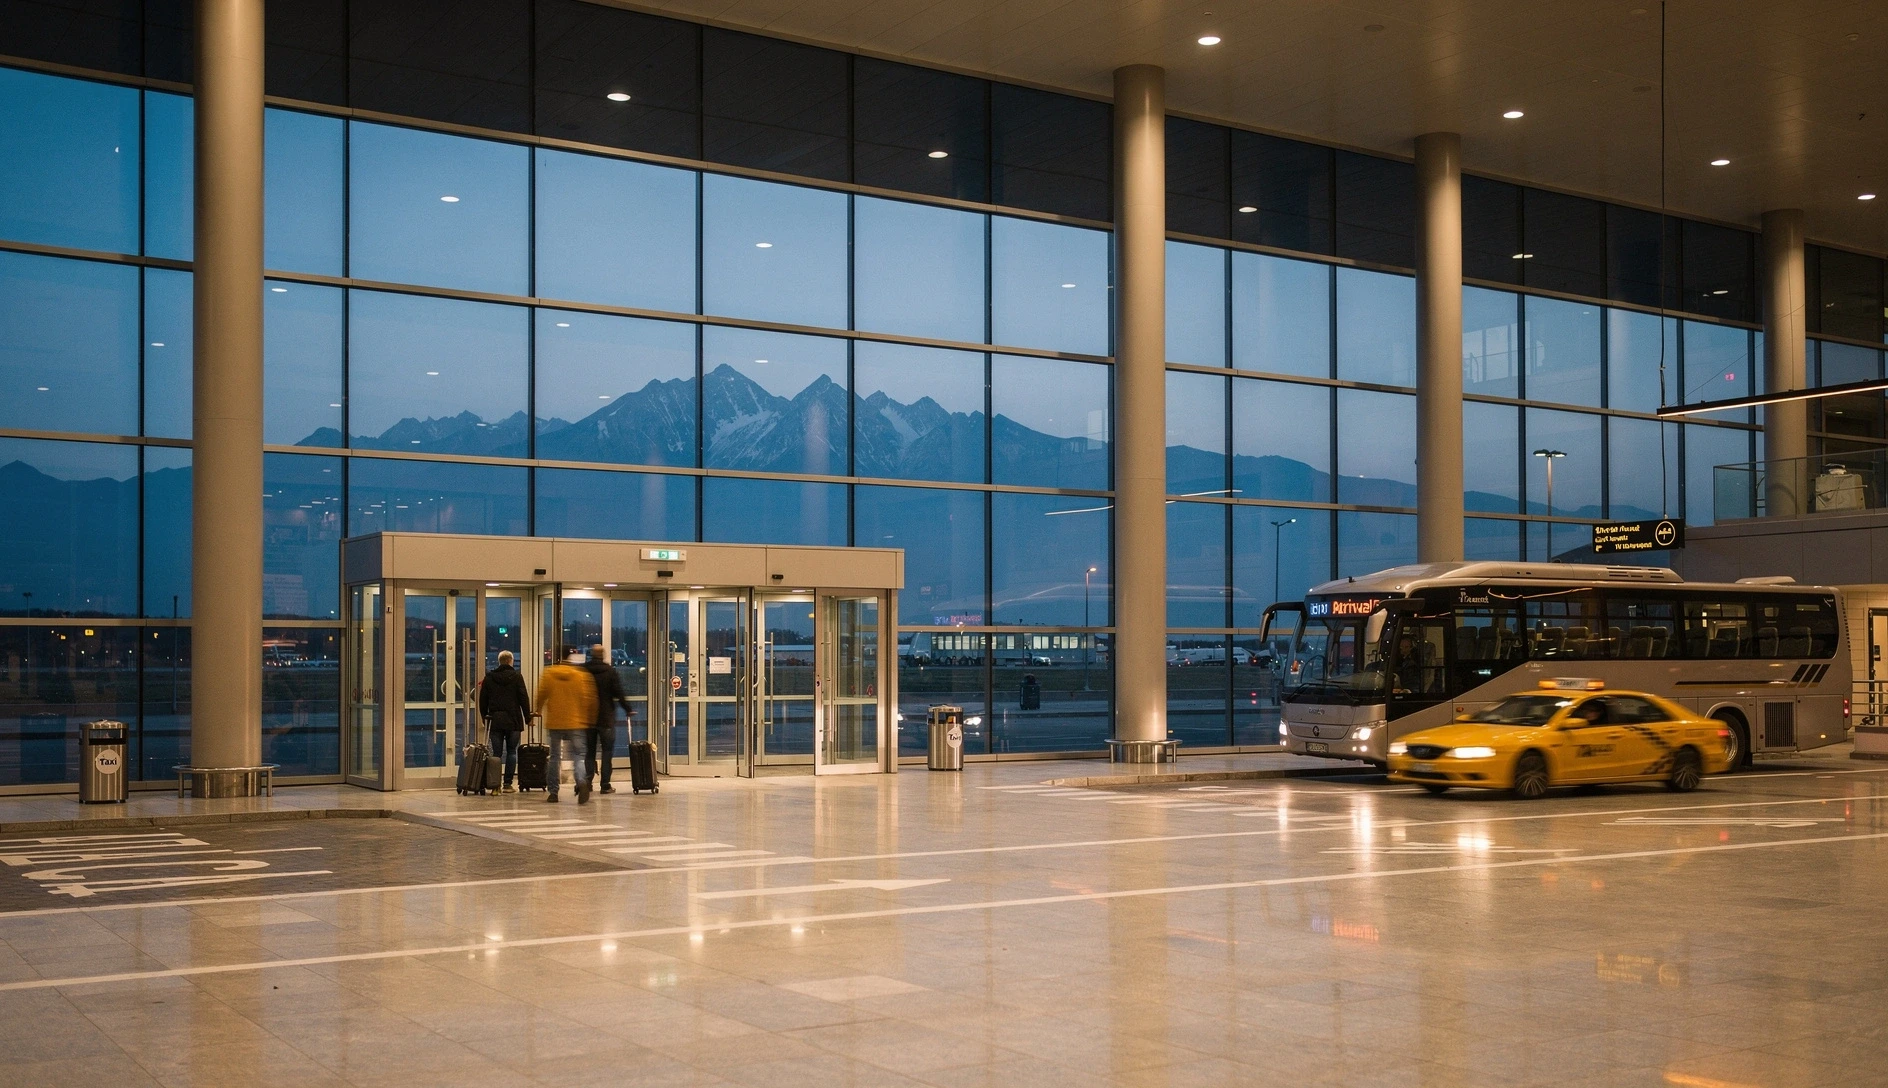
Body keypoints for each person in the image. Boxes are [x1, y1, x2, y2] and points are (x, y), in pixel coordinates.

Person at [534, 646, 597, 803]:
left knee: (554, 757)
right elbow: (589, 699)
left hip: (555, 722)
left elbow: (541, 695)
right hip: (576, 721)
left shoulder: (549, 674)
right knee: (578, 756)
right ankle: (582, 781)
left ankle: (553, 792)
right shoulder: (580, 675)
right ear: (571, 656)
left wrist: (537, 711)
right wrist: (589, 718)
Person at [477, 650, 530, 792]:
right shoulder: (517, 677)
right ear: (510, 661)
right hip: (513, 720)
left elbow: (483, 701)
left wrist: (484, 718)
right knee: (512, 751)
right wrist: (528, 718)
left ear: (500, 661)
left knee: (497, 753)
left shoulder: (489, 677)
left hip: (496, 720)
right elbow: (523, 698)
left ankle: (495, 785)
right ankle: (508, 784)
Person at [583, 644, 631, 794]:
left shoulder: (583, 670)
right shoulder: (610, 671)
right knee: (607, 751)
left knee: (589, 752)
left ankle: (588, 782)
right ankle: (605, 784)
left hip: (588, 718)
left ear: (591, 654)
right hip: (606, 718)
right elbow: (619, 692)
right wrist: (628, 709)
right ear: (603, 655)